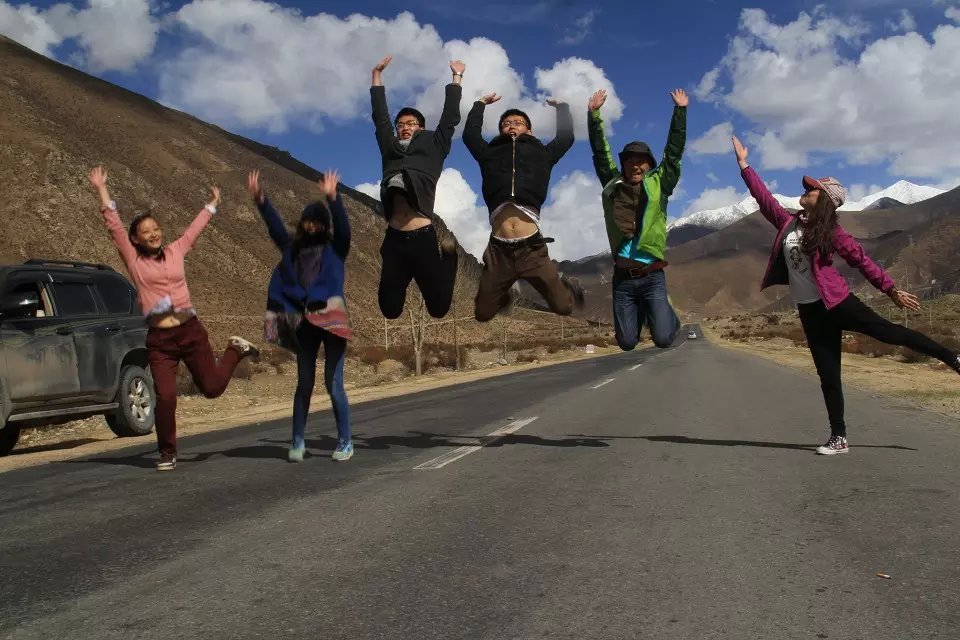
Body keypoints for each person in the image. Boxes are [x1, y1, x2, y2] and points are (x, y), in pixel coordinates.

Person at [732, 135, 960, 455]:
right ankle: (838, 437)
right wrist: (744, 165)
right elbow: (764, 198)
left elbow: (862, 261)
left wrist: (891, 290)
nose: (805, 190)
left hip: (838, 303)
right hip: (810, 310)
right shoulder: (787, 223)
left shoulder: (833, 232)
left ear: (825, 199)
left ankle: (952, 358)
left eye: (812, 188)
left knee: (891, 333)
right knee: (828, 375)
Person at [88, 166, 259, 471]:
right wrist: (101, 188)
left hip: (190, 331)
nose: (153, 233)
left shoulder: (176, 250)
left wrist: (211, 205)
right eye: (146, 231)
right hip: (160, 340)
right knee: (166, 397)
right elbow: (113, 225)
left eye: (156, 228)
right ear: (136, 239)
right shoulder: (133, 260)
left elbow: (194, 230)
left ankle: (235, 350)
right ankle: (167, 452)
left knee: (212, 389)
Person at [248, 169, 353, 462]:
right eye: (308, 220)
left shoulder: (336, 248)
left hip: (332, 320)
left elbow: (344, 229)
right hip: (304, 323)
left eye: (318, 221)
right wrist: (261, 200)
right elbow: (276, 229)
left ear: (324, 225)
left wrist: (333, 199)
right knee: (304, 383)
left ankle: (345, 441)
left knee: (334, 384)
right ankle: (297, 441)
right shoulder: (292, 248)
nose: (312, 225)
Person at [461, 92, 584, 321]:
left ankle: (569, 287)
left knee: (563, 307)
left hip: (532, 249)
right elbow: (469, 136)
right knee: (483, 313)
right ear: (501, 131)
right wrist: (479, 104)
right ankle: (503, 294)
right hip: (499, 250)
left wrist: (562, 107)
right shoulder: (489, 154)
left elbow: (566, 137)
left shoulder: (543, 153)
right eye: (506, 124)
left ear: (529, 130)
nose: (511, 125)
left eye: (518, 122)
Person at [587, 88, 687, 351]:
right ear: (623, 165)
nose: (635, 165)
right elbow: (601, 154)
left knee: (664, 339)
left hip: (652, 276)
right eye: (630, 160)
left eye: (641, 161)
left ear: (649, 165)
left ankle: (668, 315)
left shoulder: (660, 184)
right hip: (622, 279)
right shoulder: (613, 184)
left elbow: (673, 155)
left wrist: (680, 112)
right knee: (627, 343)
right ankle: (644, 312)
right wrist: (594, 116)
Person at [371, 55, 462, 319]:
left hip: (422, 238)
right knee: (390, 310)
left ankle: (450, 258)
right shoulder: (390, 149)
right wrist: (376, 76)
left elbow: (449, 118)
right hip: (394, 239)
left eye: (410, 124)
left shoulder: (434, 146)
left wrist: (456, 78)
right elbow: (380, 119)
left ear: (421, 127)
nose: (404, 128)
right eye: (400, 125)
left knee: (438, 310)